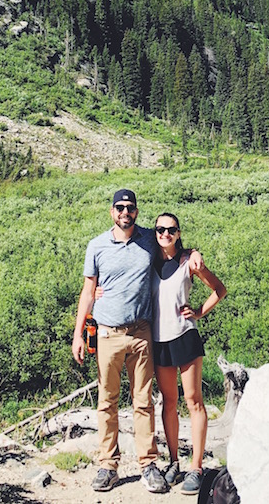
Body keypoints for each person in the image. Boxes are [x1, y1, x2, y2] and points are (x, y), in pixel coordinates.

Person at [72, 189, 203, 494]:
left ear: (136, 212)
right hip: (107, 333)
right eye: (120, 207)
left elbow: (173, 246)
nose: (125, 212)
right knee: (107, 401)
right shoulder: (97, 246)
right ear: (111, 211)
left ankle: (148, 464)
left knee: (143, 401)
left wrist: (194, 252)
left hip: (142, 333)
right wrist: (79, 333)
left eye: (130, 208)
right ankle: (108, 465)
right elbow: (88, 291)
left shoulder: (148, 239)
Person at [151, 212, 226, 495]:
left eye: (171, 230)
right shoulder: (149, 260)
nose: (165, 234)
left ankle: (195, 466)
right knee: (169, 402)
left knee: (194, 401)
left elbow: (219, 289)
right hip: (159, 340)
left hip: (185, 336)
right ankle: (173, 462)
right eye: (160, 229)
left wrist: (199, 312)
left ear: (179, 233)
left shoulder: (188, 262)